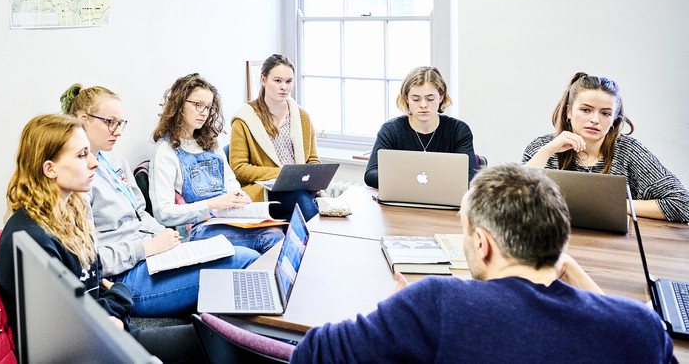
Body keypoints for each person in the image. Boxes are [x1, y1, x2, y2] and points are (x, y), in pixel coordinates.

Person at [290, 163, 674, 364]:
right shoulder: (642, 327)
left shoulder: (437, 304)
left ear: (481, 243)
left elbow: (311, 355)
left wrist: (395, 310)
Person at [0, 114, 202, 363]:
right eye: (83, 155)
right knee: (211, 344)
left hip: (106, 337)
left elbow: (94, 300)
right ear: (50, 168)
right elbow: (71, 333)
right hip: (90, 352)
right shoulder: (32, 237)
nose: (94, 163)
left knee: (211, 338)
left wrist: (115, 304)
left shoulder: (72, 214)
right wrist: (118, 299)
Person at [59, 83, 258, 317]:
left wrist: (166, 237)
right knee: (246, 260)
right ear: (84, 120)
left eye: (120, 123)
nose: (118, 131)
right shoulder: (79, 181)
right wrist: (148, 247)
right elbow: (91, 262)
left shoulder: (116, 161)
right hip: (125, 275)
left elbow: (140, 213)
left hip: (153, 255)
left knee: (240, 257)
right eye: (109, 122)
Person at [523, 72, 689, 223]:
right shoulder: (542, 147)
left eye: (605, 113)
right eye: (586, 110)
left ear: (614, 120)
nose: (595, 119)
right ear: (568, 112)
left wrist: (612, 207)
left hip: (616, 248)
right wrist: (546, 151)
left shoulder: (629, 151)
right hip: (554, 244)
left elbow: (683, 204)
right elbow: (513, 205)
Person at [149, 73, 284, 253]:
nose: (204, 112)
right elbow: (163, 213)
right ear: (179, 104)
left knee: (277, 228)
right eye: (198, 105)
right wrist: (212, 204)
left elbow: (228, 180)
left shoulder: (210, 142)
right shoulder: (166, 152)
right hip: (197, 228)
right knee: (270, 236)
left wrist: (236, 194)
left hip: (226, 217)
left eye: (208, 107)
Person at [229, 54, 322, 220]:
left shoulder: (302, 117)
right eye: (277, 81)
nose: (284, 87)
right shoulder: (244, 119)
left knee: (305, 198)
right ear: (263, 80)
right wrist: (282, 174)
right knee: (301, 200)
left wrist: (311, 180)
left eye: (288, 81)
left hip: (299, 189)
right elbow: (239, 169)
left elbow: (313, 160)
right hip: (265, 192)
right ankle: (321, 241)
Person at [364, 66, 477, 188]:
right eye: (416, 99)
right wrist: (415, 181)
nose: (423, 105)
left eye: (430, 98)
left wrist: (405, 179)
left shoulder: (458, 130)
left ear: (441, 97)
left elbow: (470, 177)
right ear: (407, 98)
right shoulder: (391, 130)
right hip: (402, 200)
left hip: (444, 202)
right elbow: (371, 174)